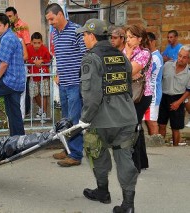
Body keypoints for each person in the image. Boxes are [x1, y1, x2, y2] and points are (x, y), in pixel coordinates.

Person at [76, 18, 138, 213]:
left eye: (84, 35)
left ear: (92, 36)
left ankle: (103, 192)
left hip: (101, 120)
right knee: (125, 158)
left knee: (96, 152)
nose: (83, 38)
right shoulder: (121, 56)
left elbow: (92, 96)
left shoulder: (90, 58)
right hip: (127, 117)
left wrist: (84, 120)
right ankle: (128, 205)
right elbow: (127, 86)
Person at [45, 3, 86, 167]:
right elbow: (60, 57)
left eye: (52, 19)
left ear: (61, 14)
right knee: (65, 120)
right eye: (48, 20)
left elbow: (85, 56)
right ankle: (68, 149)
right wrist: (59, 74)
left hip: (75, 84)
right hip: (63, 83)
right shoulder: (55, 33)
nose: (50, 23)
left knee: (74, 121)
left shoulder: (77, 30)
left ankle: (76, 155)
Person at [124, 25, 153, 172]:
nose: (128, 40)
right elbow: (121, 70)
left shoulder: (144, 53)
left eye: (131, 37)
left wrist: (128, 59)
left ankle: (135, 164)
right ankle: (142, 161)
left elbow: (127, 70)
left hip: (142, 95)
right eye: (127, 37)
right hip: (130, 94)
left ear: (140, 39)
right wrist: (129, 70)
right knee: (136, 126)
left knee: (133, 126)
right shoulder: (127, 50)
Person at [158, 45, 190, 146]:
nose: (180, 59)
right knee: (161, 124)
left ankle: (175, 147)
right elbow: (159, 79)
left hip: (178, 98)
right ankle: (161, 146)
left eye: (184, 57)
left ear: (188, 59)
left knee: (175, 128)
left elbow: (188, 90)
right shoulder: (167, 65)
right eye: (180, 56)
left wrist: (179, 102)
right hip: (164, 97)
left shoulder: (189, 72)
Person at [5, 7, 31, 117]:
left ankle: (21, 116)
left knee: (22, 93)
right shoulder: (6, 36)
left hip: (20, 66)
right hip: (9, 69)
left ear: (16, 15)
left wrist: (15, 59)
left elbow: (27, 47)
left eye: (10, 16)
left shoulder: (23, 27)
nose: (9, 18)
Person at [26, 32, 51, 121]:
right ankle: (41, 108)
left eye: (39, 43)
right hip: (33, 75)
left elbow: (48, 59)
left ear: (42, 42)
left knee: (44, 94)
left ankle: (44, 113)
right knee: (34, 94)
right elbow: (26, 59)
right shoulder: (28, 49)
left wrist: (42, 61)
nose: (37, 45)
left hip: (43, 75)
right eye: (35, 43)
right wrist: (33, 62)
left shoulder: (44, 49)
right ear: (31, 42)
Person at [143, 32, 164, 135]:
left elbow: (144, 72)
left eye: (146, 42)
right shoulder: (150, 55)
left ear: (152, 42)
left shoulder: (156, 57)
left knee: (152, 121)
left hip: (154, 93)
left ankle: (156, 142)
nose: (144, 45)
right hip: (148, 92)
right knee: (147, 119)